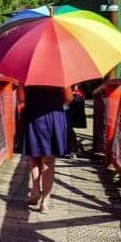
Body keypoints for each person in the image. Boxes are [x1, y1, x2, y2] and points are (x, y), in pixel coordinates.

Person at [22, 85, 72, 213]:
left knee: (34, 156)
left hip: (34, 116)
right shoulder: (61, 74)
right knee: (48, 161)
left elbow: (21, 99)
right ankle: (45, 202)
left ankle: (34, 190)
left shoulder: (28, 75)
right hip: (55, 118)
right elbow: (69, 98)